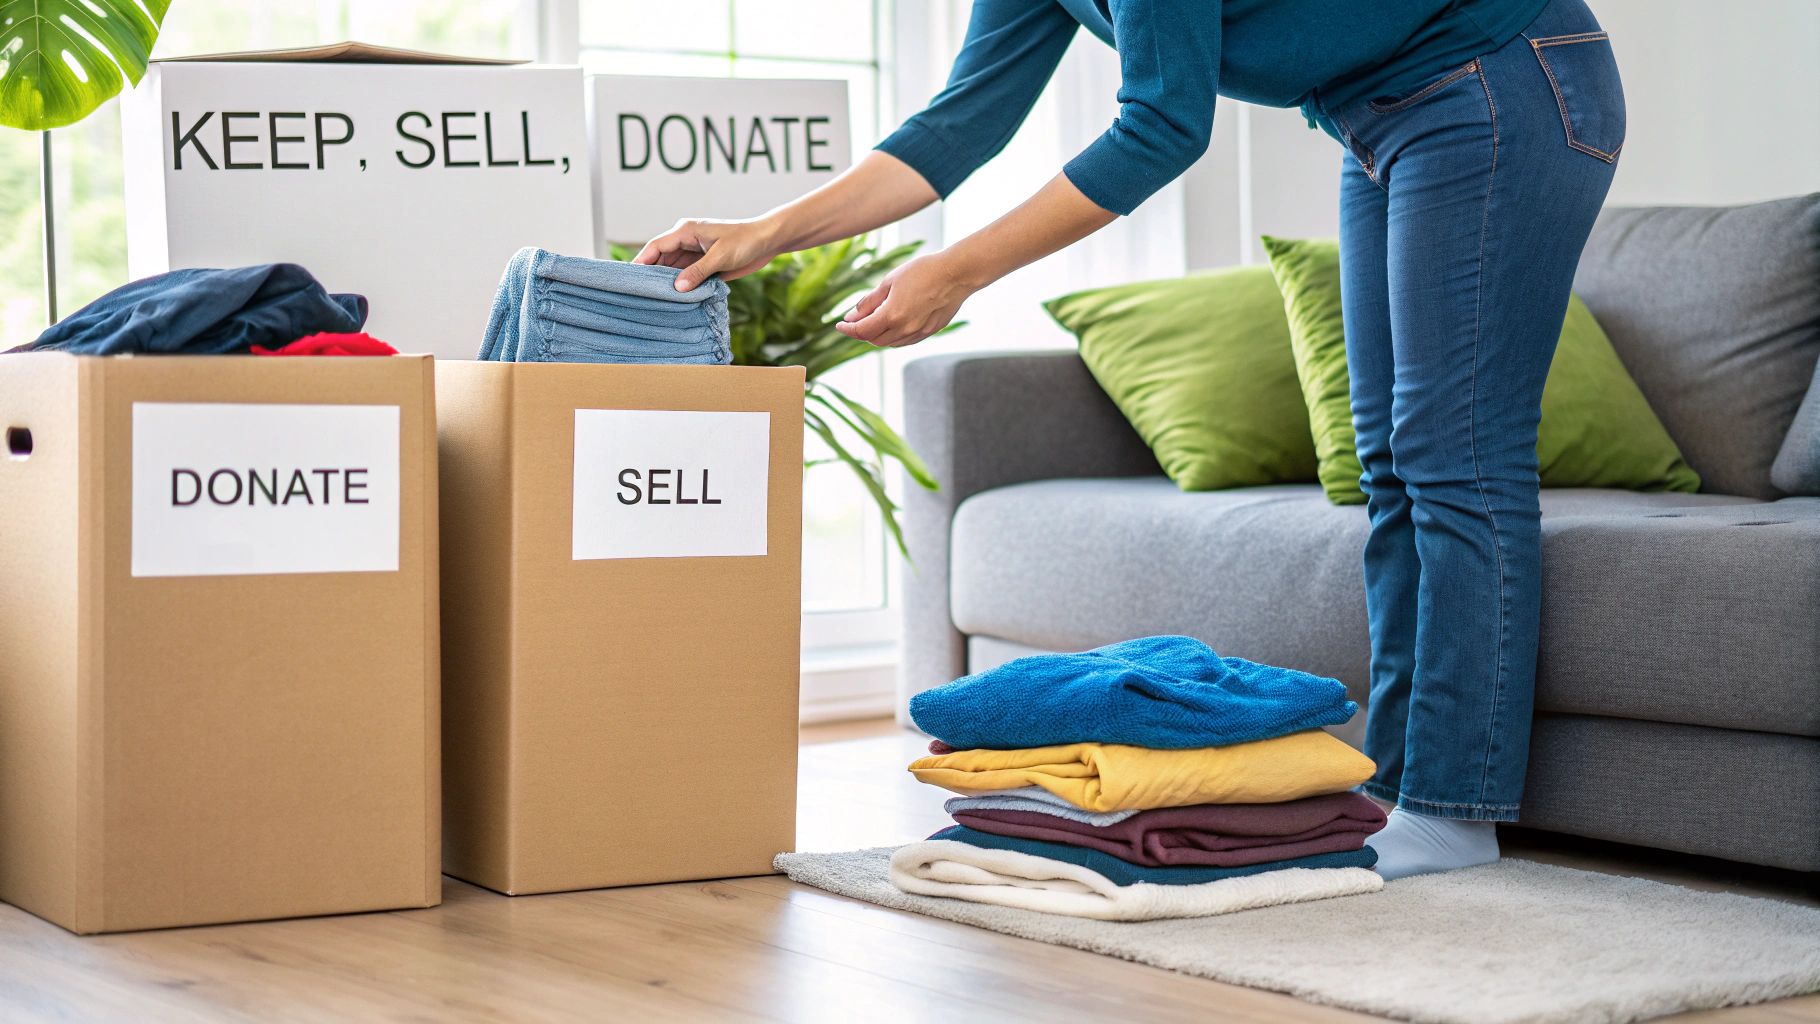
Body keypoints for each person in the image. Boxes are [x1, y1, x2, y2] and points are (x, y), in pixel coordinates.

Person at [636, 0, 1625, 881]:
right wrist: (763, 233)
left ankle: (1452, 811)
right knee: (1391, 467)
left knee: (1449, 455)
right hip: (1382, 115)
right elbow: (955, 125)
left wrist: (961, 272)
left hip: (1501, 78)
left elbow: (1161, 125)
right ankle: (1401, 793)